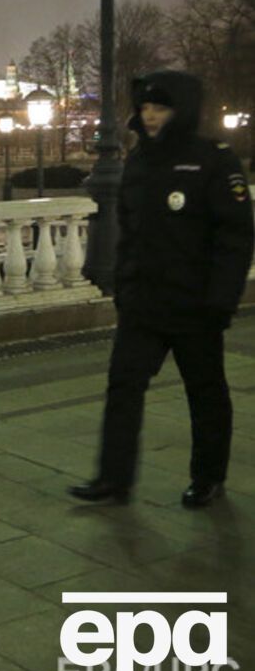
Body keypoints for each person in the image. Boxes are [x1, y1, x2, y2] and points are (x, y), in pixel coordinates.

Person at [70, 70, 253, 508]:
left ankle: (208, 476)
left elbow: (235, 237)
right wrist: (125, 284)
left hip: (195, 304)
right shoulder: (139, 160)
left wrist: (221, 301)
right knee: (123, 386)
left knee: (205, 391)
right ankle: (114, 478)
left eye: (160, 108)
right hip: (144, 303)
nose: (150, 116)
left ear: (181, 110)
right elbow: (130, 230)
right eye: (146, 108)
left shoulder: (213, 160)